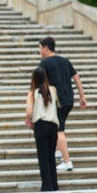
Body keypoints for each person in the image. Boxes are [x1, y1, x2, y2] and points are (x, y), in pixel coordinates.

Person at [38, 36, 87, 172]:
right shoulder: (65, 61)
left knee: (59, 130)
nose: (40, 51)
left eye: (40, 48)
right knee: (55, 127)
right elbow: (76, 78)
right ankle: (59, 151)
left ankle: (67, 161)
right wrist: (82, 96)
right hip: (68, 100)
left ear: (46, 48)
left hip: (56, 101)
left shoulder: (44, 64)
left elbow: (40, 83)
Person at [24, 67, 59, 192]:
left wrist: (29, 119)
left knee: (43, 157)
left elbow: (29, 112)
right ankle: (54, 184)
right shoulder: (53, 90)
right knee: (51, 156)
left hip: (40, 125)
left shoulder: (32, 93)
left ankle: (47, 185)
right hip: (53, 126)